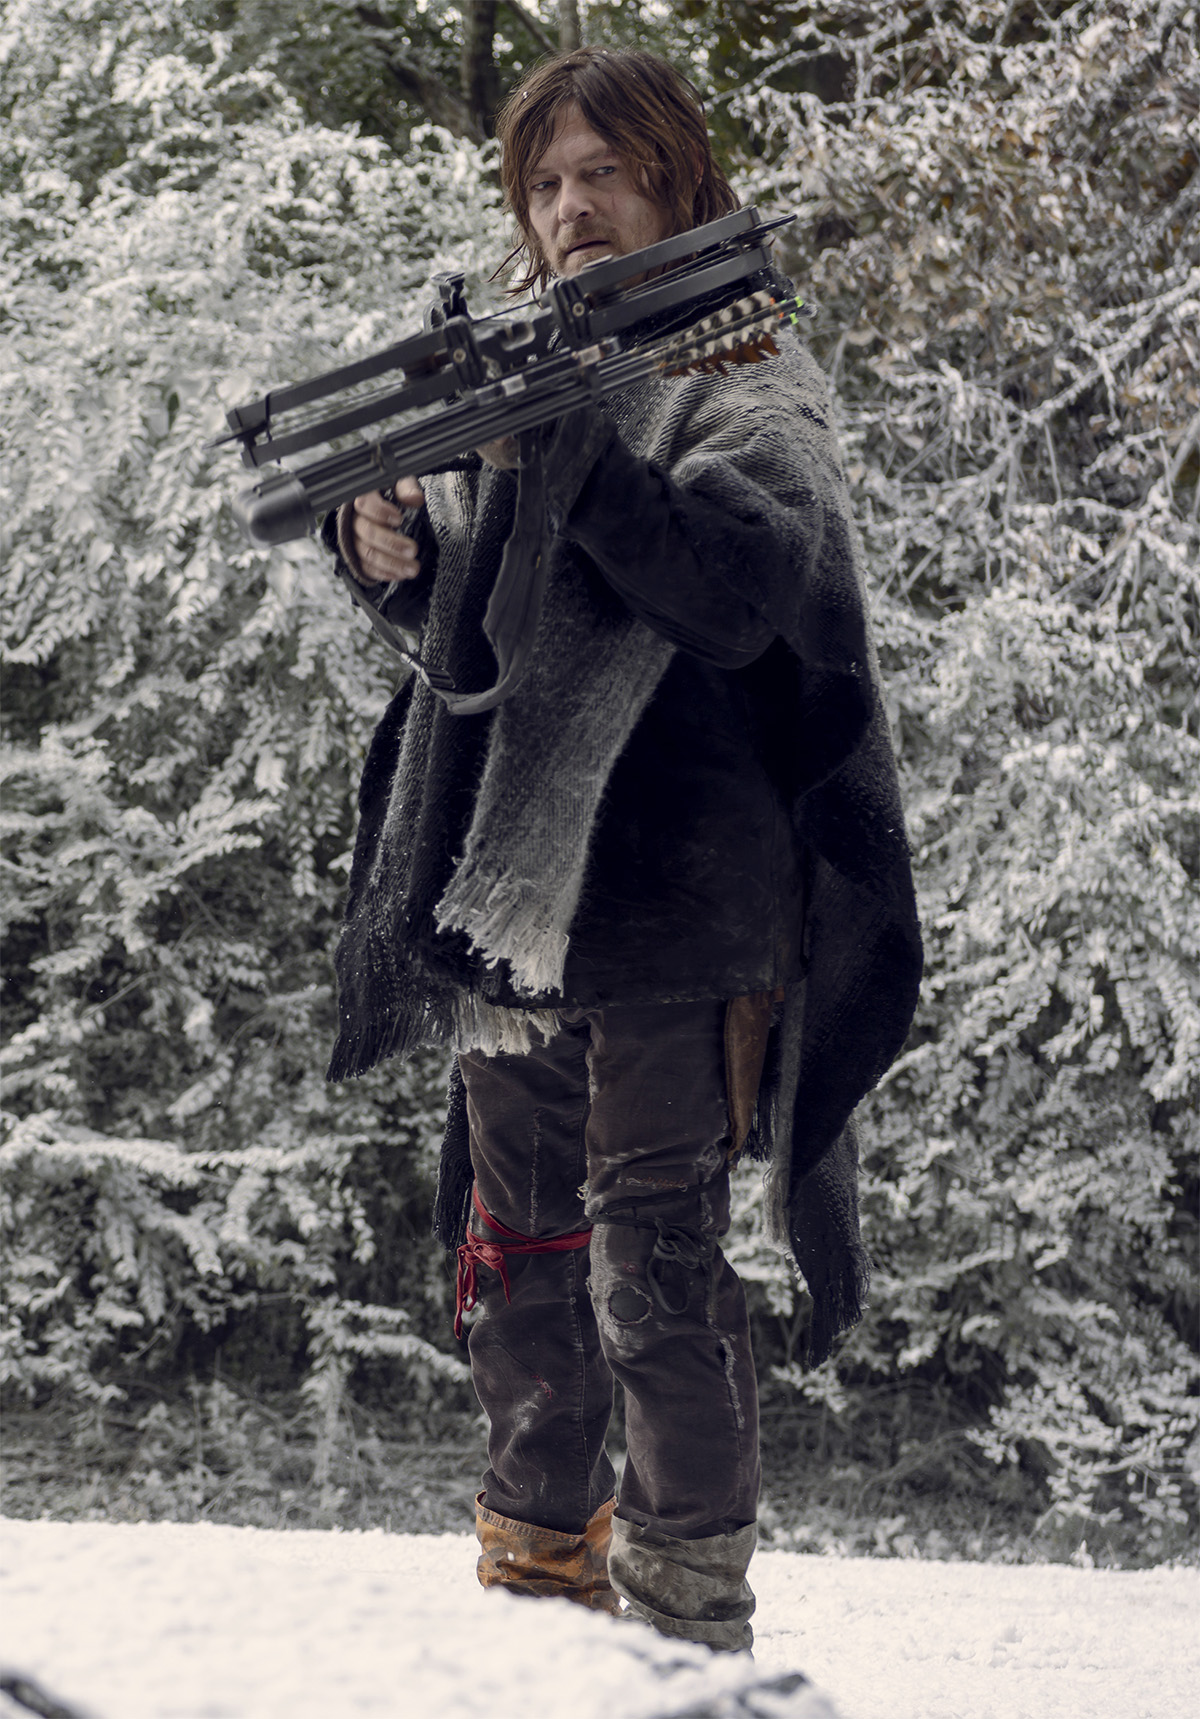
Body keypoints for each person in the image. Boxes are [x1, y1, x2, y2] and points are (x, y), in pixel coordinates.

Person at [322, 46, 922, 1652]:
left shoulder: (748, 371)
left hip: (684, 901)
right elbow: (488, 619)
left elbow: (736, 595)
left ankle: (686, 1623)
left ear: (674, 179)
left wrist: (570, 453)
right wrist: (390, 550)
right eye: (543, 181)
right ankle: (537, 1587)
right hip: (511, 899)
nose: (571, 206)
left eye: (604, 171)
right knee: (519, 1262)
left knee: (653, 1271)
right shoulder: (532, 374)